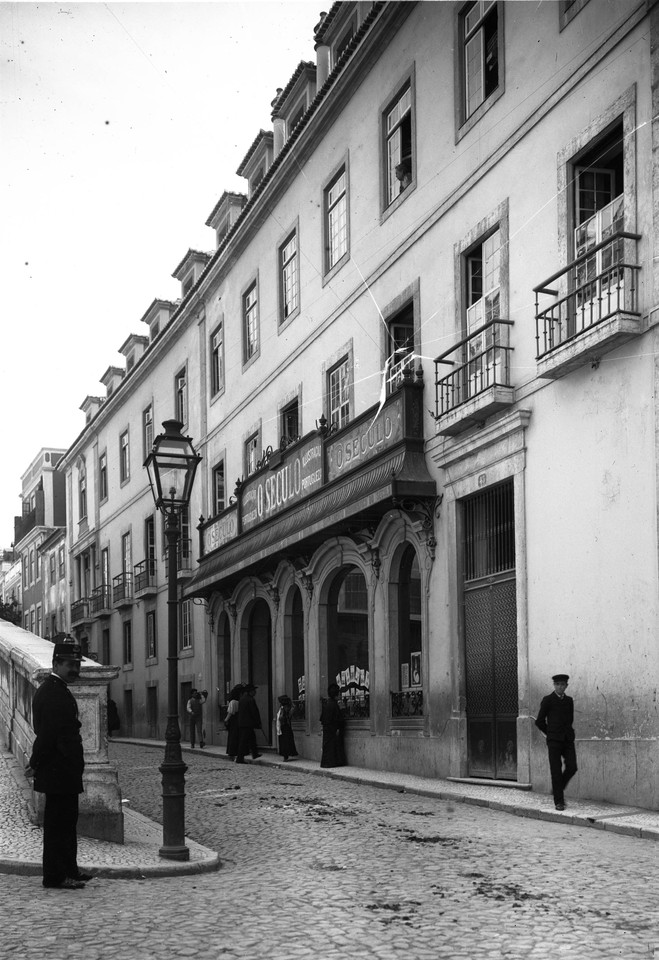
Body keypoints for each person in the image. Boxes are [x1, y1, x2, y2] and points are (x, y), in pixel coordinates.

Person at [26, 640, 92, 890]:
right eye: (70, 665)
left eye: (77, 664)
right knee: (57, 826)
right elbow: (47, 735)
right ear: (55, 664)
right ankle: (55, 876)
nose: (75, 669)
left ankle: (69, 869)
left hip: (63, 771)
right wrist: (35, 763)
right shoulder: (53, 692)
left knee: (66, 823)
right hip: (57, 770)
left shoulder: (57, 688)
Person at [535, 673, 578, 811]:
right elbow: (539, 721)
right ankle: (559, 801)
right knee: (556, 770)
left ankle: (558, 787)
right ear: (554, 685)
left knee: (572, 767)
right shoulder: (548, 700)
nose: (560, 687)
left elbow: (570, 719)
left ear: (566, 686)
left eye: (563, 684)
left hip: (567, 740)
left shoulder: (569, 701)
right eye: (558, 684)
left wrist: (567, 733)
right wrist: (551, 733)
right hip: (554, 741)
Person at [320, 682, 346, 768]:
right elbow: (338, 719)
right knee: (333, 747)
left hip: (327, 729)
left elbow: (322, 718)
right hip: (333, 729)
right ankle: (332, 762)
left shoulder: (327, 704)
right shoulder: (334, 705)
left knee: (327, 746)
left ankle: (326, 763)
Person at [236, 683, 263, 763]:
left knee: (252, 738)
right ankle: (240, 758)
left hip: (242, 723)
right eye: (254, 691)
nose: (255, 692)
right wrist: (258, 722)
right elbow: (254, 712)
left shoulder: (242, 699)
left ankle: (255, 753)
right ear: (250, 692)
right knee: (243, 741)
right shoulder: (250, 700)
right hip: (247, 723)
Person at [224, 684, 244, 759]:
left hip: (233, 720)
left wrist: (226, 719)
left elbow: (230, 712)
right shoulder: (240, 701)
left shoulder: (233, 702)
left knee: (232, 736)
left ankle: (232, 751)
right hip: (239, 719)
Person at [276, 695, 298, 762]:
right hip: (285, 726)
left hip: (285, 726)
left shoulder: (285, 708)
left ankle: (286, 755)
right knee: (286, 741)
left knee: (285, 741)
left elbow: (282, 717)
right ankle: (286, 755)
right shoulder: (284, 707)